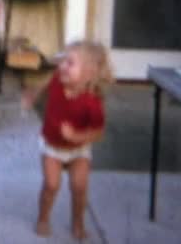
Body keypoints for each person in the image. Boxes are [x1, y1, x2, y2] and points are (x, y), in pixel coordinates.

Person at [22, 41, 113, 239]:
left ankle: (78, 223)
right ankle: (43, 218)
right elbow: (46, 84)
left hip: (79, 149)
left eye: (70, 63)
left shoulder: (92, 102)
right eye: (63, 61)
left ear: (89, 73)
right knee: (51, 185)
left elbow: (98, 132)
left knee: (79, 187)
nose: (62, 66)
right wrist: (33, 96)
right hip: (52, 146)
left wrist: (76, 136)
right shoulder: (57, 80)